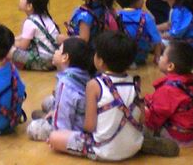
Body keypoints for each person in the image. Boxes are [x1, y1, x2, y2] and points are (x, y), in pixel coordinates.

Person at [48, 31, 145, 161]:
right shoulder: (135, 82)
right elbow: (142, 118)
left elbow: (89, 126)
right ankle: (144, 142)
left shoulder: (94, 85)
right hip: (134, 147)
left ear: (99, 61)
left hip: (103, 151)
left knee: (55, 137)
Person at [27, 37, 94, 142]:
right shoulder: (84, 73)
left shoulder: (65, 83)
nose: (56, 51)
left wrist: (54, 128)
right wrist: (54, 110)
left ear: (65, 57)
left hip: (74, 129)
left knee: (32, 128)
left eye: (59, 49)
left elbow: (63, 123)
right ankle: (48, 114)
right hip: (81, 114)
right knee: (47, 102)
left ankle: (46, 117)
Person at [144, 40, 193, 146]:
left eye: (163, 55)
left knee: (139, 126)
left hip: (178, 135)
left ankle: (153, 145)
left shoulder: (168, 90)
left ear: (170, 66)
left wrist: (143, 113)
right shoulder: (187, 80)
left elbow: (154, 119)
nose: (159, 57)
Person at [12, 0, 60, 71]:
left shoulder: (29, 22)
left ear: (29, 6)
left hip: (44, 62)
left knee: (9, 50)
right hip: (54, 59)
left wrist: (9, 43)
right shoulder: (45, 17)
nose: (20, 0)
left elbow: (22, 46)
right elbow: (25, 37)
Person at [115, 0, 163, 66]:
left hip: (119, 55)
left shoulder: (116, 15)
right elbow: (157, 39)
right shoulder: (146, 17)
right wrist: (157, 57)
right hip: (139, 56)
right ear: (137, 0)